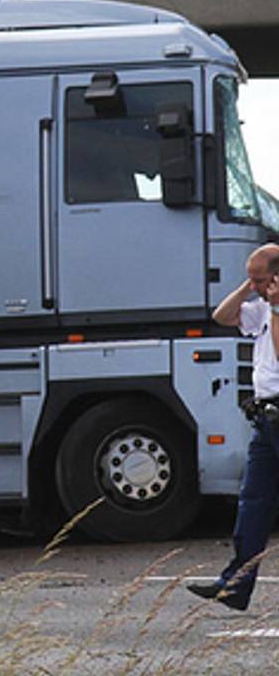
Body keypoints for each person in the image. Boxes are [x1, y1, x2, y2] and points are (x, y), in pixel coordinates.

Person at [188, 242, 279, 611]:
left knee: (256, 501)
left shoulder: (271, 310)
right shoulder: (259, 306)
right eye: (252, 280)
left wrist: (274, 306)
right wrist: (249, 287)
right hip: (266, 419)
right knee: (252, 504)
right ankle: (234, 586)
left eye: (259, 279)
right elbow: (221, 315)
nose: (254, 286)